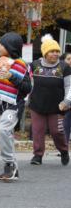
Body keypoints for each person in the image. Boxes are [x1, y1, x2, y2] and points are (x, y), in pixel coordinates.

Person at [0, 32, 32, 182]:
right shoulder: (0, 63)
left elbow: (27, 88)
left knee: (4, 132)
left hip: (14, 105)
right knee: (4, 138)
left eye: (2, 44)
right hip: (0, 106)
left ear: (10, 47)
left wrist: (11, 76)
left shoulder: (21, 65)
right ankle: (10, 169)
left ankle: (10, 165)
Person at [29, 34, 71, 166]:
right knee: (38, 131)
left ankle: (64, 151)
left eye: (57, 51)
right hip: (37, 105)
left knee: (57, 131)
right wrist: (26, 98)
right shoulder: (34, 65)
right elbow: (29, 84)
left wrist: (67, 101)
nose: (55, 54)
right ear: (45, 52)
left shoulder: (64, 67)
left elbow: (69, 86)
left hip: (57, 107)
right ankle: (38, 155)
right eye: (52, 51)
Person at [61, 51, 71, 144]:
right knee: (65, 125)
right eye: (68, 59)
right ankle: (64, 147)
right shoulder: (60, 72)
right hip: (66, 103)